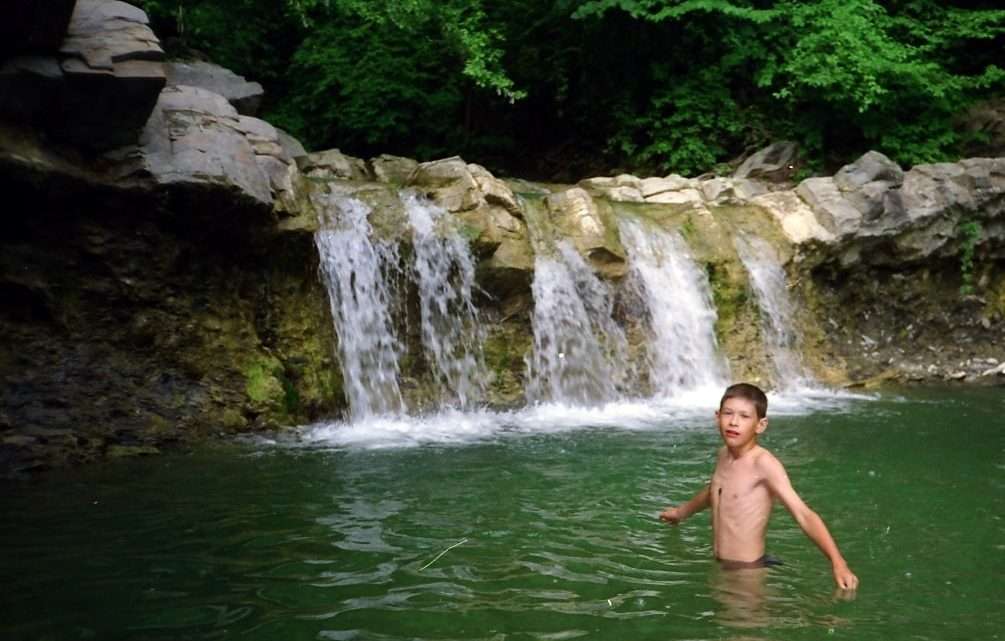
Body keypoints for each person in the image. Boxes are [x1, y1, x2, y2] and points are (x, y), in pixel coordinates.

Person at [659, 383, 859, 590]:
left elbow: (803, 514)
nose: (734, 422)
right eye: (728, 413)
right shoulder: (723, 455)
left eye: (744, 416)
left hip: (747, 571)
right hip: (723, 566)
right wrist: (680, 513)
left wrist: (838, 562)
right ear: (717, 417)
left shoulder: (763, 464)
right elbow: (715, 492)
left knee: (742, 612)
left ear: (760, 425)